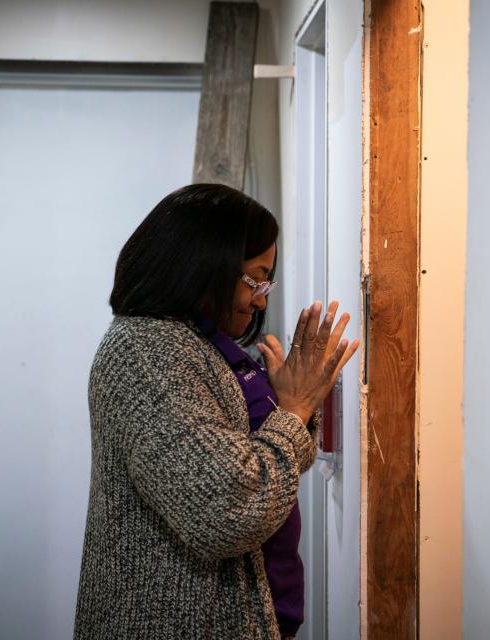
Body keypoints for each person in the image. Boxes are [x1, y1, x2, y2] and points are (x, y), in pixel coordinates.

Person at [73, 183, 358, 639]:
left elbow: (255, 455)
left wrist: (293, 410)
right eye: (255, 280)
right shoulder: (147, 351)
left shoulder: (198, 344)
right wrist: (295, 409)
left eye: (267, 283)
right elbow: (228, 510)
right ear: (203, 263)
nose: (262, 300)